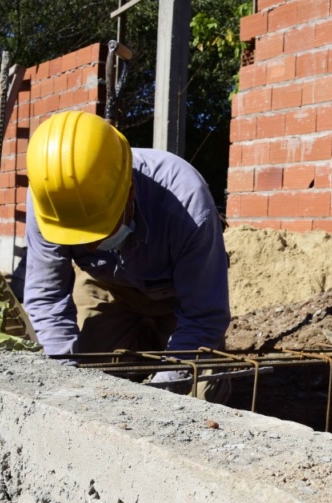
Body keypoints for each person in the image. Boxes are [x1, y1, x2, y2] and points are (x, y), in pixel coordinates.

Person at [23, 110, 230, 401]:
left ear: (130, 192)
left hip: (177, 297)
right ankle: (141, 345)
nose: (91, 248)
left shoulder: (188, 204)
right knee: (89, 371)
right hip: (109, 286)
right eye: (80, 238)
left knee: (201, 392)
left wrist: (162, 394)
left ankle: (158, 346)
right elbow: (47, 299)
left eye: (99, 232)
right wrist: (65, 382)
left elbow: (203, 316)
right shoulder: (50, 201)